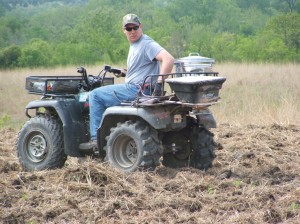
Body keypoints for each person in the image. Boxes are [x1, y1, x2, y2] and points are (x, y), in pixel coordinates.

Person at [79, 13, 174, 150]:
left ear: (140, 26)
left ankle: (95, 140)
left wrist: (159, 82)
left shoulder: (146, 43)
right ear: (123, 30)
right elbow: (143, 68)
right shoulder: (135, 44)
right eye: (128, 29)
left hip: (137, 90)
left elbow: (168, 59)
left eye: (135, 27)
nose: (132, 31)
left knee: (95, 95)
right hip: (138, 87)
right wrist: (124, 72)